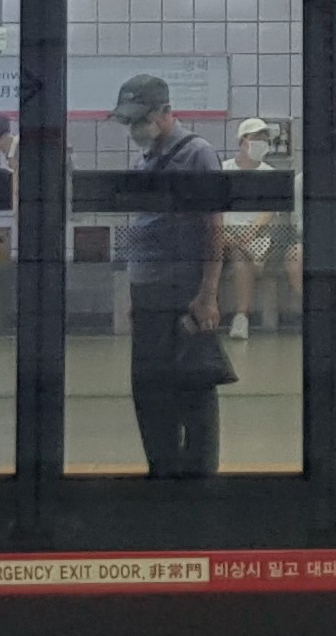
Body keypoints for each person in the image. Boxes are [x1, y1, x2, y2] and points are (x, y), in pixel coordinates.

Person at [110, 74, 225, 477]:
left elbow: (214, 227)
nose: (134, 129)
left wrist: (208, 294)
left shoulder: (198, 154)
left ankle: (198, 476)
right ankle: (161, 471)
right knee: (149, 389)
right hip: (147, 291)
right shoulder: (144, 159)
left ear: (165, 112)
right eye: (128, 121)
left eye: (140, 119)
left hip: (184, 290)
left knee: (193, 386)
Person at [220, 116, 301, 339]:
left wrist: (249, 232)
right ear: (242, 141)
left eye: (265, 139)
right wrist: (225, 233)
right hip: (221, 234)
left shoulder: (270, 174)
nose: (262, 143)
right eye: (256, 138)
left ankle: (241, 317)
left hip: (255, 237)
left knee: (241, 257)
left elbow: (269, 212)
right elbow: (213, 209)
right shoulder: (223, 170)